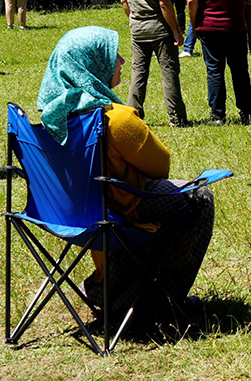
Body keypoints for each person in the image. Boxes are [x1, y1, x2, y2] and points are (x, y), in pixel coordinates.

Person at [38, 27, 217, 319]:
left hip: (67, 216)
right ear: (91, 65)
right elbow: (161, 167)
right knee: (198, 198)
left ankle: (113, 291)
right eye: (112, 56)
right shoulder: (116, 119)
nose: (121, 61)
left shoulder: (53, 120)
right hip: (117, 213)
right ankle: (162, 301)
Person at [118, 0, 187, 127]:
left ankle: (133, 115)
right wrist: (176, 31)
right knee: (169, 72)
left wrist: (134, 18)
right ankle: (177, 117)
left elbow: (123, 0)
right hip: (159, 30)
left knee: (138, 72)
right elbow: (165, 4)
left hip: (138, 29)